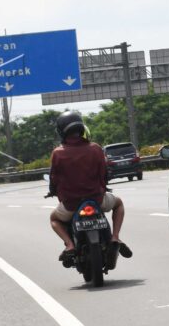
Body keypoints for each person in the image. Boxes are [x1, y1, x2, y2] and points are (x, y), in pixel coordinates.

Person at [48, 110, 130, 264]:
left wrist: (52, 190)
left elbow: (54, 178)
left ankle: (70, 245)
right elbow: (104, 173)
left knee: (54, 219)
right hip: (97, 200)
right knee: (118, 203)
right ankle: (115, 237)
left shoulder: (58, 153)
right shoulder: (96, 148)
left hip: (71, 204)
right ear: (81, 128)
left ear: (61, 132)